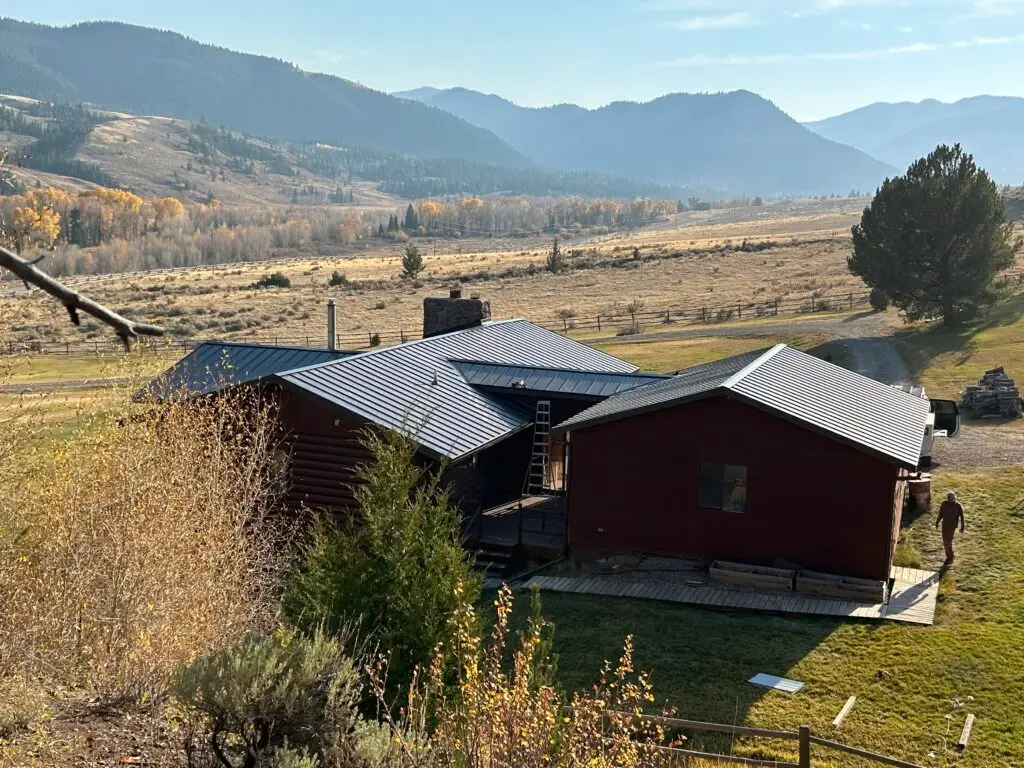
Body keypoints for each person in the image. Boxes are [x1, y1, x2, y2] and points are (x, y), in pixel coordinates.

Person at [935, 491, 966, 564]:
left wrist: (962, 527)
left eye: (953, 499)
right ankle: (949, 556)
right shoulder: (944, 504)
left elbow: (962, 516)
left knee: (948, 542)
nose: (952, 501)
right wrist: (937, 522)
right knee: (945, 542)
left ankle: (950, 557)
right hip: (944, 525)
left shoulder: (958, 505)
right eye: (951, 499)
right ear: (948, 498)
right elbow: (941, 513)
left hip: (952, 527)